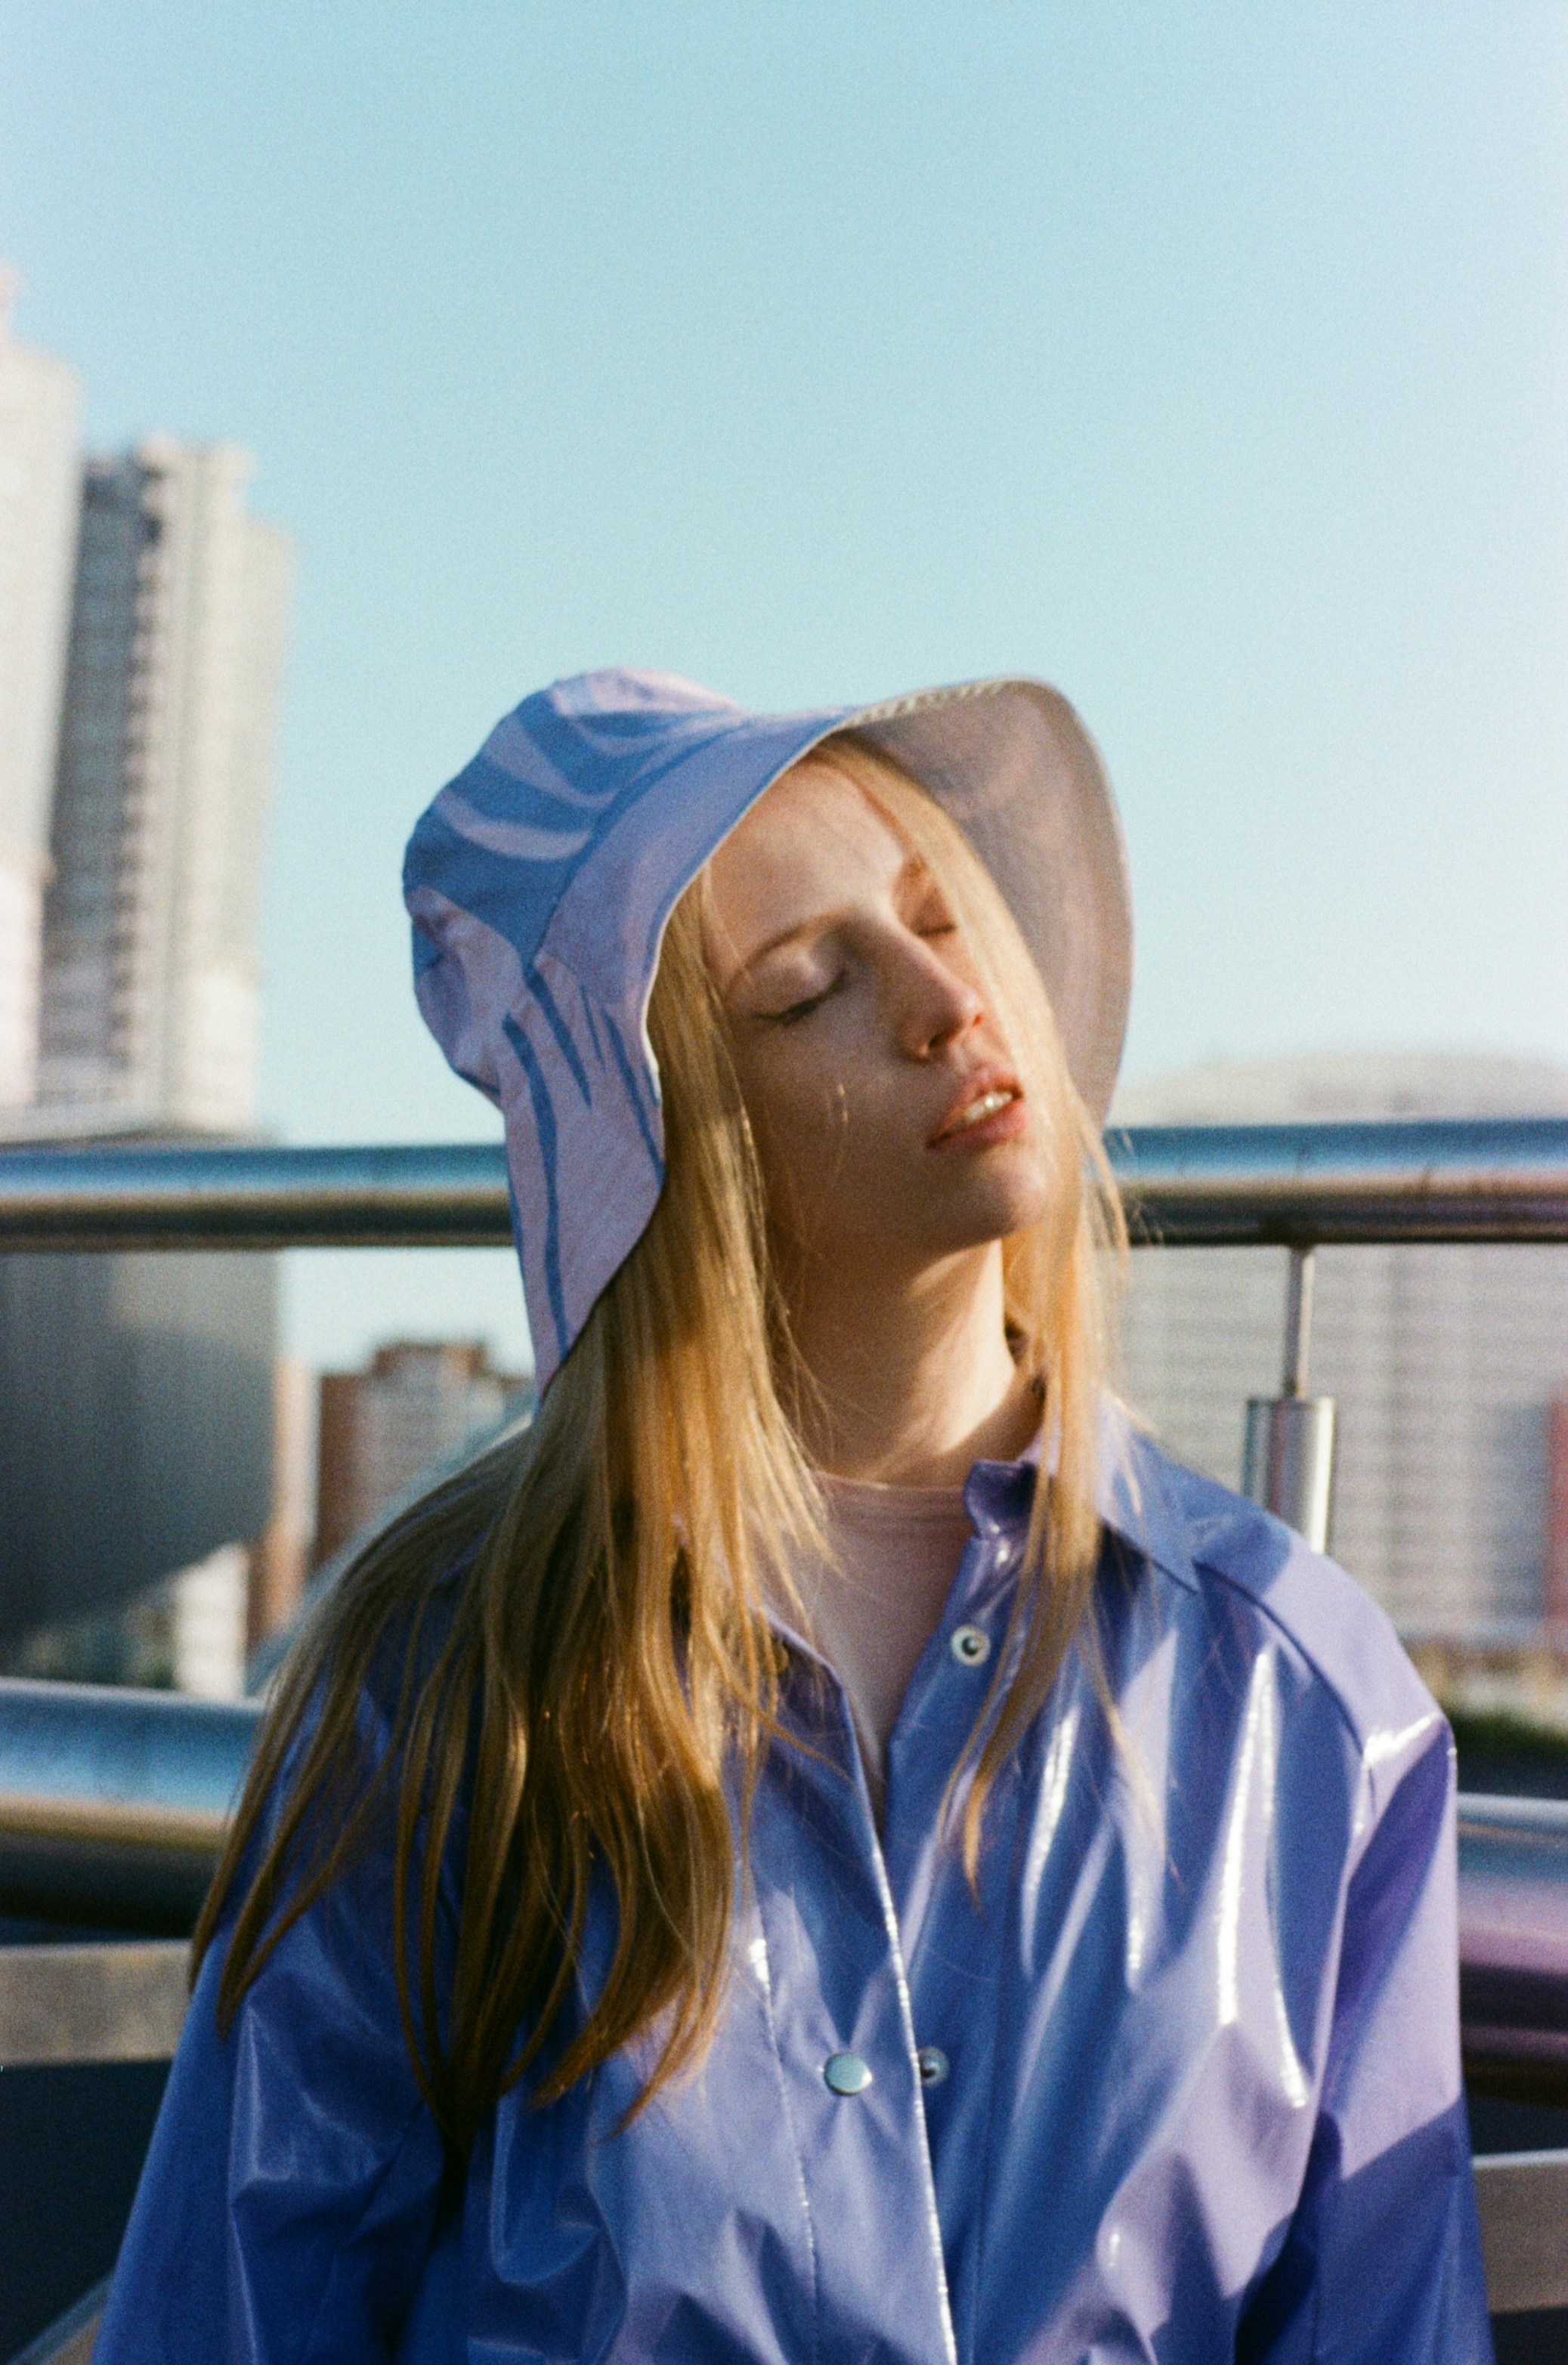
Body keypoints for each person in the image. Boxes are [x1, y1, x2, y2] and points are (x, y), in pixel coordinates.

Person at [95, 669, 1492, 2363]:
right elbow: (233, 2310)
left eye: (940, 913)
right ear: (670, 1143)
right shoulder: (445, 1676)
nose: (947, 998)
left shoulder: (1308, 1697)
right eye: (806, 988)